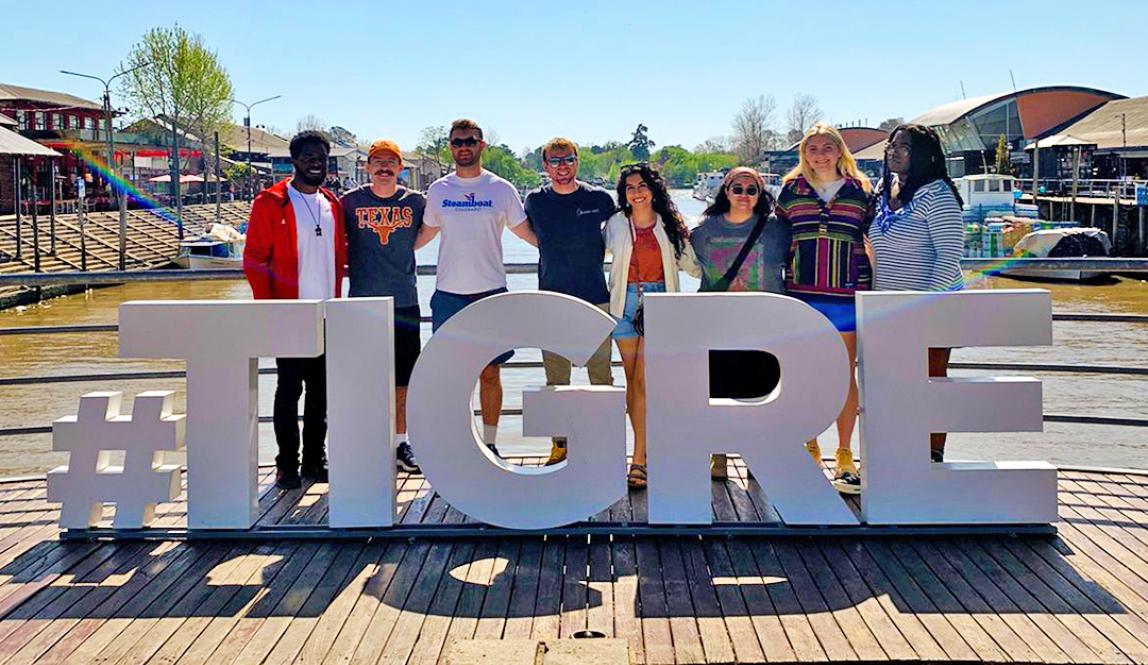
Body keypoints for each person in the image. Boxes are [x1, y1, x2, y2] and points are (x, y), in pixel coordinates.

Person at [415, 119, 539, 457]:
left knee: (490, 372)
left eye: (470, 140)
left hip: (491, 293)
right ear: (450, 147)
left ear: (481, 145)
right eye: (457, 142)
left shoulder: (501, 189)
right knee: (453, 377)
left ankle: (491, 443)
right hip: (449, 295)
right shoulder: (439, 191)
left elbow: (528, 234)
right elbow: (419, 238)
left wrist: (575, 251)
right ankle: (457, 445)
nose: (464, 147)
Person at [243, 130, 347, 490]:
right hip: (288, 313)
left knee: (322, 393)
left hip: (327, 313)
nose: (315, 162)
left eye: (321, 156)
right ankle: (287, 463)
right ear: (295, 161)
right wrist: (270, 310)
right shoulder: (272, 202)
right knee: (288, 391)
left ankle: (315, 461)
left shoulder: (332, 204)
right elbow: (254, 260)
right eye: (308, 157)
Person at [775, 124, 874, 494]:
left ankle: (845, 454)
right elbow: (776, 238)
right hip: (802, 294)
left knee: (845, 373)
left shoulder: (860, 190)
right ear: (804, 153)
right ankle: (810, 445)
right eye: (812, 148)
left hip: (846, 294)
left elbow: (873, 237)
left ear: (839, 150)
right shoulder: (790, 191)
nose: (820, 154)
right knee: (806, 375)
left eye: (827, 147)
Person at [869, 123, 965, 462]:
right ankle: (896, 455)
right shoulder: (884, 188)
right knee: (891, 386)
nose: (893, 151)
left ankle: (930, 457)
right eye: (891, 145)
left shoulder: (938, 195)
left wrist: (920, 310)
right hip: (886, 310)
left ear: (922, 153)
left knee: (929, 383)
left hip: (928, 313)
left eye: (904, 146)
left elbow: (949, 258)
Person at [690, 167, 789, 480]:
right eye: (738, 189)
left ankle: (756, 456)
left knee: (762, 393)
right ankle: (717, 456)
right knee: (718, 392)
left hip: (766, 325)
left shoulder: (777, 229)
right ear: (726, 192)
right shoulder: (703, 230)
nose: (744, 195)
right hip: (719, 323)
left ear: (760, 195)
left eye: (752, 190)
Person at [603, 163, 698, 488]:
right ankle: (643, 449)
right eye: (630, 187)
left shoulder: (669, 224)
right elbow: (592, 253)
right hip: (623, 304)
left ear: (653, 189)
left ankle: (639, 459)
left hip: (660, 301)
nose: (637, 192)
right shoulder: (615, 223)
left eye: (642, 185)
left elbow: (694, 267)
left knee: (643, 381)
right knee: (631, 381)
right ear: (623, 194)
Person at [524, 137, 616, 465]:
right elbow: (526, 232)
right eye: (555, 161)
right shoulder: (535, 200)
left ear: (577, 162)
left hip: (596, 299)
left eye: (568, 160)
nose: (562, 168)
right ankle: (560, 446)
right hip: (552, 302)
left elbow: (623, 232)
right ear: (545, 166)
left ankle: (603, 443)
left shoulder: (601, 199)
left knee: (601, 378)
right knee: (556, 381)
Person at [339, 139, 424, 474]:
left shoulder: (416, 202)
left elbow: (430, 232)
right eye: (378, 161)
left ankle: (401, 442)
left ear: (401, 168)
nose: (385, 167)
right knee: (364, 377)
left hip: (404, 300)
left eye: (391, 161)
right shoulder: (349, 202)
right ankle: (366, 443)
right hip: (363, 302)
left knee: (403, 379)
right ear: (367, 167)